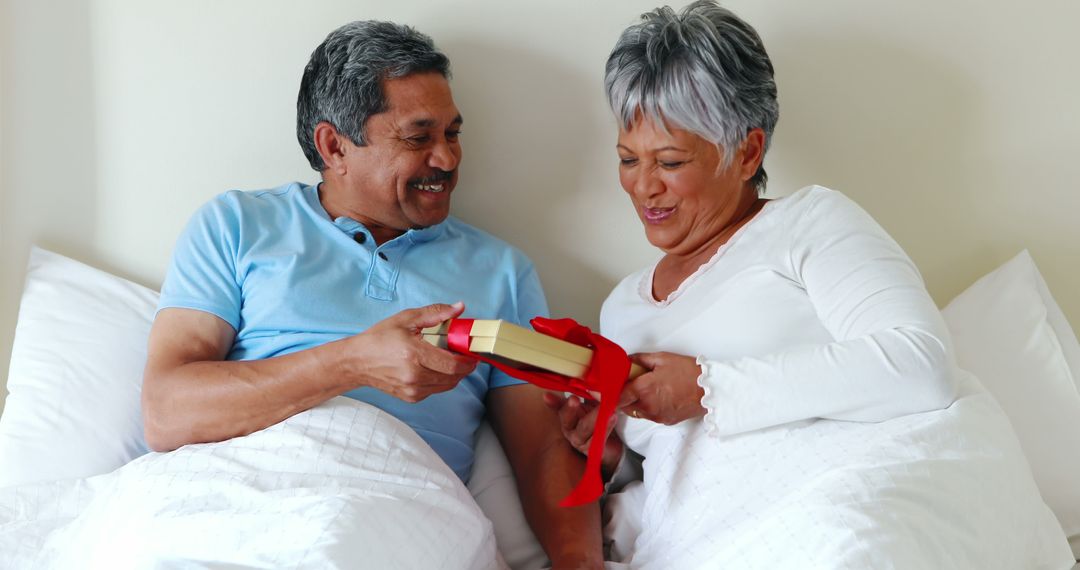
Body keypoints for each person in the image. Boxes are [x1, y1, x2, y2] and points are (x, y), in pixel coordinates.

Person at [141, 20, 602, 569]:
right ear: (334, 145)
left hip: (398, 517)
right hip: (241, 503)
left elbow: (541, 450)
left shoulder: (501, 272)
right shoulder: (236, 226)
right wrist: (354, 362)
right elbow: (166, 412)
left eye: (453, 133)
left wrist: (582, 565)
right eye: (418, 137)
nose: (448, 160)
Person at [544, 1, 958, 566]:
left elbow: (920, 367)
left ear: (747, 152)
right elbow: (663, 473)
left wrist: (709, 388)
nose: (643, 188)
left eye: (668, 161)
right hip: (704, 539)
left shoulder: (810, 224)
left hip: (824, 513)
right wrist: (609, 447)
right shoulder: (621, 309)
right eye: (627, 159)